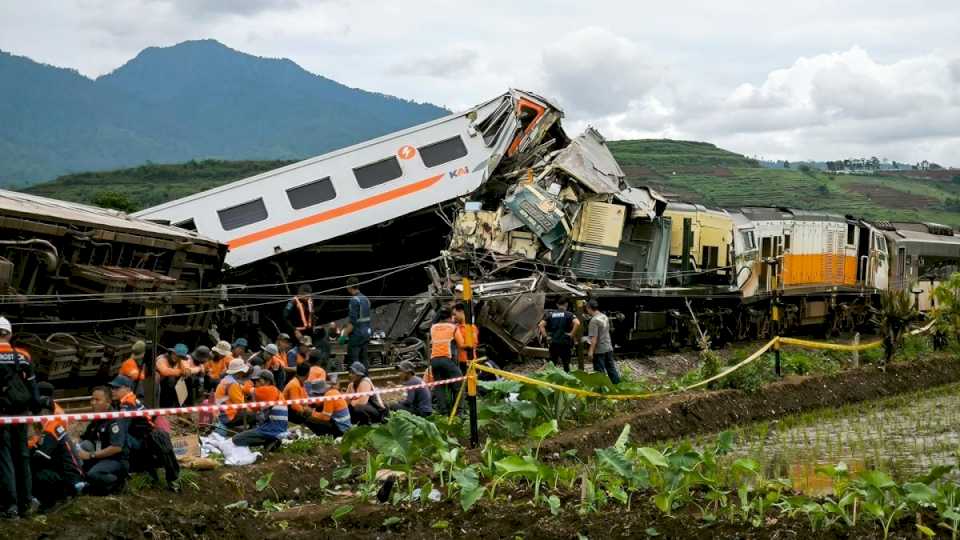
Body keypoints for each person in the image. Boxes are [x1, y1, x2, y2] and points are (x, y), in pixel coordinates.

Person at [0, 316, 40, 518]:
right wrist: (36, 411)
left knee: (4, 457)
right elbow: (33, 388)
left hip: (2, 414)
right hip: (21, 413)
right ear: (10, 334)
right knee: (22, 456)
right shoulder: (23, 355)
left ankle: (10, 506)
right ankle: (27, 502)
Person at [110, 376, 179, 491]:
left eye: (116, 388)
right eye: (112, 388)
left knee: (120, 439)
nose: (113, 390)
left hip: (143, 442)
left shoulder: (127, 405)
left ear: (127, 389)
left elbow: (122, 429)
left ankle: (124, 476)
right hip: (148, 439)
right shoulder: (134, 400)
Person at [30, 387, 83, 511]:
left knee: (34, 473)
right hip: (68, 474)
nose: (31, 416)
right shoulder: (51, 426)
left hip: (70, 479)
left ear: (42, 414)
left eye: (34, 413)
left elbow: (40, 457)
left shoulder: (52, 428)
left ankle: (52, 501)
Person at [77, 387, 127, 495]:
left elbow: (116, 447)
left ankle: (118, 483)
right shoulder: (97, 418)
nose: (93, 403)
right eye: (92, 399)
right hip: (101, 456)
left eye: (97, 400)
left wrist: (91, 455)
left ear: (108, 402)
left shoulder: (114, 419)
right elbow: (85, 438)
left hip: (116, 460)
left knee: (93, 475)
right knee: (84, 445)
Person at [233, 371, 288, 450]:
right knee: (248, 431)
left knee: (236, 439)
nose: (256, 383)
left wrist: (249, 381)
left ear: (268, 381)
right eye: (255, 381)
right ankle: (271, 440)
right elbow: (254, 409)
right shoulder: (274, 392)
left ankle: (271, 439)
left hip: (271, 428)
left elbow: (245, 389)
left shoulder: (268, 390)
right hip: (277, 426)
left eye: (259, 381)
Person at [428, 307, 463, 414]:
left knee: (440, 387)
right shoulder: (453, 327)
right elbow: (462, 344)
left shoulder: (433, 328)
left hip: (434, 361)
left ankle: (443, 411)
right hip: (447, 360)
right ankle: (459, 411)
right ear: (449, 317)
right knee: (458, 385)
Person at [539, 298, 581, 372]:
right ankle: (566, 380)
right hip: (565, 342)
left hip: (554, 342)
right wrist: (571, 334)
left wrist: (546, 336)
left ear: (557, 305)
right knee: (566, 364)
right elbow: (577, 323)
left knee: (552, 364)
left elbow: (541, 325)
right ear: (566, 304)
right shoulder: (569, 314)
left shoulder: (550, 314)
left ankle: (552, 380)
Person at [338, 277, 371, 369]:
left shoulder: (354, 300)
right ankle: (365, 379)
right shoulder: (366, 299)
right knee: (363, 360)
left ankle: (355, 382)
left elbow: (352, 323)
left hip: (357, 336)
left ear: (349, 287)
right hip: (366, 334)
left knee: (354, 362)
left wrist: (343, 335)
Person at [214, 359, 252, 436]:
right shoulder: (233, 384)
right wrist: (253, 409)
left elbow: (239, 390)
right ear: (239, 372)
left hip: (221, 414)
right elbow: (241, 405)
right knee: (255, 416)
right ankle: (249, 435)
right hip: (228, 417)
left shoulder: (227, 379)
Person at [585, 299, 620, 384]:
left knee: (600, 372)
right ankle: (617, 386)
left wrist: (590, 351)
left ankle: (603, 390)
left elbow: (594, 338)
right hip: (608, 347)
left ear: (589, 308)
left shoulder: (593, 321)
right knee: (611, 369)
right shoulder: (604, 316)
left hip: (599, 350)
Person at [155, 344, 188, 408]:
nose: (177, 357)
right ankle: (163, 406)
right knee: (171, 379)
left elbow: (184, 370)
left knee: (180, 380)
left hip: (165, 383)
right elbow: (164, 371)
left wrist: (185, 372)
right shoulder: (161, 359)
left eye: (179, 356)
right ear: (172, 353)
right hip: (156, 382)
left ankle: (177, 403)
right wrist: (180, 372)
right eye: (175, 354)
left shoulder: (178, 361)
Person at [452, 303, 479, 369]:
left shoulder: (472, 327)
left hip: (469, 361)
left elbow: (473, 344)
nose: (454, 317)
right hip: (459, 362)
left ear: (461, 312)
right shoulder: (455, 327)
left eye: (455, 314)